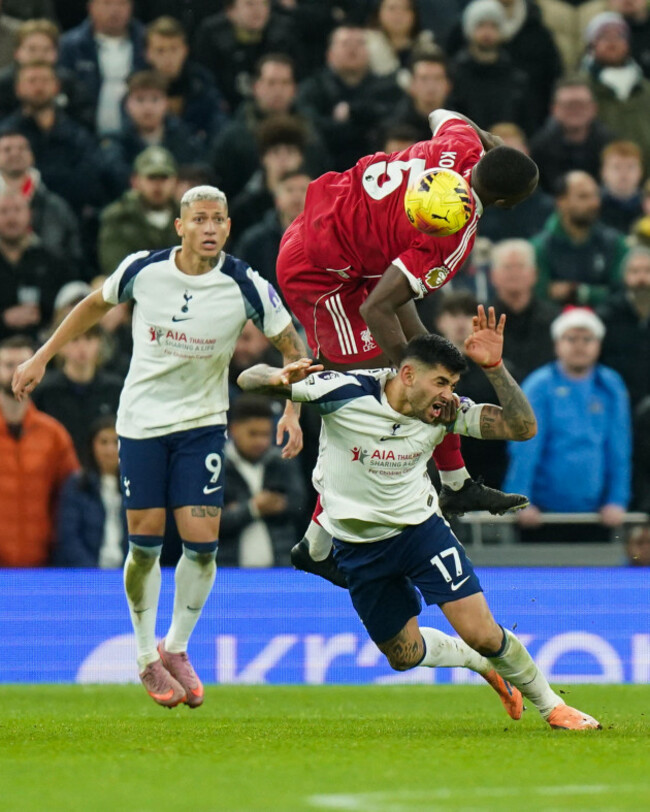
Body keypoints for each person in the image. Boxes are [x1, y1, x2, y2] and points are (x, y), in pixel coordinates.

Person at [12, 184, 308, 709]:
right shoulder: (143, 269)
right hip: (142, 424)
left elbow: (292, 345)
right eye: (199, 219)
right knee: (146, 546)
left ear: (228, 227)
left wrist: (292, 409)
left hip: (202, 425)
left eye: (218, 219)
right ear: (180, 226)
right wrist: (42, 356)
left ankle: (176, 646)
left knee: (202, 544)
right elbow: (92, 306)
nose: (209, 228)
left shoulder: (245, 283)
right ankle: (146, 655)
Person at [237, 306, 600, 730]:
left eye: (454, 384)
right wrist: (279, 377)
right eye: (441, 382)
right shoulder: (343, 392)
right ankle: (479, 664)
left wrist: (496, 370)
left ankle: (553, 706)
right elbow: (248, 379)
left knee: (482, 631)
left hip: (420, 534)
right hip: (358, 546)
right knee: (403, 656)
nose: (449, 394)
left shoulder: (446, 412)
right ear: (408, 375)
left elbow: (521, 428)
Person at [276, 107, 538, 584]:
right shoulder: (451, 235)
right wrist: (412, 379)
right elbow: (377, 307)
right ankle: (315, 545)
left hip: (339, 231)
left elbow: (442, 113)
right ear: (503, 203)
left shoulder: (461, 144)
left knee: (430, 357)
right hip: (321, 273)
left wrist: (489, 138)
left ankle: (455, 483)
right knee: (387, 399)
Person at [504, 307, 631, 541]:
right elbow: (525, 448)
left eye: (587, 339)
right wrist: (519, 497)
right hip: (541, 514)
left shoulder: (611, 385)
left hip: (597, 514)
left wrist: (617, 499)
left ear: (598, 344)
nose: (579, 345)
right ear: (557, 344)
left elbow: (619, 448)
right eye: (571, 338)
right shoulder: (538, 385)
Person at [0, 334, 79, 567]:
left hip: (44, 565)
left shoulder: (54, 435)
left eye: (23, 365)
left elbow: (74, 497)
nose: (16, 372)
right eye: (8, 365)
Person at [210, 52, 329, 200]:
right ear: (256, 87)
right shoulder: (234, 138)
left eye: (285, 83)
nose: (278, 90)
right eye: (271, 83)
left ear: (294, 89)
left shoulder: (311, 133)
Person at [220, 395, 306, 567]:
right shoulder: (218, 467)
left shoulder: (282, 461)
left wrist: (237, 510)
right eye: (253, 434)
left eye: (266, 434)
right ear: (234, 429)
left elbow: (300, 505)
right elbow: (211, 522)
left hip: (280, 571)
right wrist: (253, 508)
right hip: (228, 573)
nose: (260, 441)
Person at [99, 70, 204, 199]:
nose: (148, 107)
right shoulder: (117, 142)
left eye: (155, 99)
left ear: (166, 103)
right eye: (140, 100)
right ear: (127, 104)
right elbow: (114, 177)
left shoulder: (184, 137)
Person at [532, 170, 628, 306]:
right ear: (561, 201)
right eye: (583, 197)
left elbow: (622, 295)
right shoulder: (540, 247)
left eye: (596, 195)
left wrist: (578, 292)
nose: (594, 203)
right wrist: (599, 292)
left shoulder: (615, 243)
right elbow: (539, 296)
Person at [31, 322, 122, 459]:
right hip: (58, 465)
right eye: (75, 339)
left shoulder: (115, 389)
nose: (82, 347)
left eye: (89, 339)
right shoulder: (44, 391)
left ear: (99, 343)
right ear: (60, 345)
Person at [58, 0, 147, 135]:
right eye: (107, 3)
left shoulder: (147, 42)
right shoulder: (70, 46)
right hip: (84, 135)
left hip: (138, 136)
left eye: (122, 3)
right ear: (91, 7)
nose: (115, 10)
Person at [0, 129, 83, 270]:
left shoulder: (56, 207)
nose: (15, 154)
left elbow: (73, 251)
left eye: (22, 149)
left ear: (32, 156)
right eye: (7, 150)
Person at [448, 0, 533, 135]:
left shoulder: (516, 78)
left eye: (493, 26)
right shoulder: (454, 75)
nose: (487, 32)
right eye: (481, 25)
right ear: (470, 29)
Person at [54, 413, 128, 568]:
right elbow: (69, 537)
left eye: (116, 442)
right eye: (103, 442)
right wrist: (92, 574)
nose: (110, 450)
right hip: (87, 573)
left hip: (127, 572)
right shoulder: (77, 485)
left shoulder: (135, 486)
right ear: (92, 446)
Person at [144, 15, 227, 147]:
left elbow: (218, 122)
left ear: (185, 50)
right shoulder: (137, 86)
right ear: (148, 54)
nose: (168, 57)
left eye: (174, 49)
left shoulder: (202, 82)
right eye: (160, 51)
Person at [582, 12, 650, 170]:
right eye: (604, 36)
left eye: (619, 36)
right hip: (597, 171)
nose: (612, 42)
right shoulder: (581, 88)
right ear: (592, 43)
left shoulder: (645, 88)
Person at [98, 145, 179, 275]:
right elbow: (115, 266)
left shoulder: (187, 216)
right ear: (135, 181)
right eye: (151, 177)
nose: (158, 185)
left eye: (164, 177)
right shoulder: (119, 217)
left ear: (175, 180)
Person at [0, 189, 70, 340]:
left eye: (17, 210)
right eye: (4, 211)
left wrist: (42, 314)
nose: (11, 217)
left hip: (43, 344)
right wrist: (3, 318)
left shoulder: (51, 261)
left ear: (29, 214)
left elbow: (65, 305)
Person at [488, 238, 559, 380]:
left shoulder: (555, 320)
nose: (514, 273)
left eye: (520, 266)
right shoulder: (481, 321)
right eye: (507, 267)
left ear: (535, 274)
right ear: (493, 275)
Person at [530, 77, 614, 195]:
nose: (575, 110)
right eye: (568, 105)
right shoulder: (538, 148)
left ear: (594, 108)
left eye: (581, 104)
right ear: (554, 109)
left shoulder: (610, 145)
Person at [234, 167, 310, 292]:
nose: (297, 196)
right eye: (289, 190)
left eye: (303, 190)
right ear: (277, 199)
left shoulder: (329, 238)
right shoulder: (254, 242)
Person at [478, 123, 555, 242]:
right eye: (501, 155)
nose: (509, 162)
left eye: (515, 153)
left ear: (527, 153)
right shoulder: (474, 208)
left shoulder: (548, 207)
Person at [599, 246, 650, 407]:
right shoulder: (607, 316)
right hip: (616, 400)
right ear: (624, 277)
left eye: (647, 271)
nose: (641, 278)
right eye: (635, 271)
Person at [599, 139, 644, 234]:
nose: (624, 174)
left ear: (640, 171)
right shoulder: (593, 205)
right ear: (604, 172)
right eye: (616, 167)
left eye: (630, 167)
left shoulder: (646, 206)